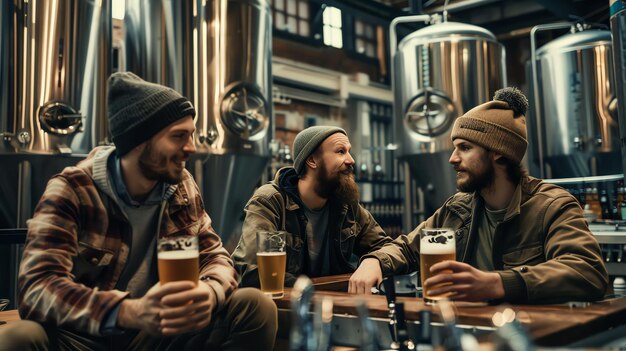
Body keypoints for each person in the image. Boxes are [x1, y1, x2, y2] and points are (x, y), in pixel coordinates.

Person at [0, 72, 277, 351]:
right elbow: (38, 287)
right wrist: (128, 311)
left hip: (157, 334)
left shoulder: (180, 185)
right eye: (178, 136)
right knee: (19, 338)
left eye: (191, 135)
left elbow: (214, 255)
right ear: (139, 142)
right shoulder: (73, 189)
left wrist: (209, 290)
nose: (191, 148)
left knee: (254, 305)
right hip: (85, 337)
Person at [349, 87, 609, 304]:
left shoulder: (551, 206)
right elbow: (406, 248)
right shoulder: (458, 209)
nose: (452, 158)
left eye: (464, 147)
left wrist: (498, 283)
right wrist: (375, 262)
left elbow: (587, 271)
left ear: (497, 152)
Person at [232, 126, 392, 287]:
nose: (351, 160)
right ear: (312, 160)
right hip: (284, 307)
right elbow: (252, 270)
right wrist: (307, 289)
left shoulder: (346, 204)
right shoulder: (270, 201)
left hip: (337, 305)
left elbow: (384, 248)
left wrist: (374, 261)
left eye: (349, 151)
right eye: (340, 151)